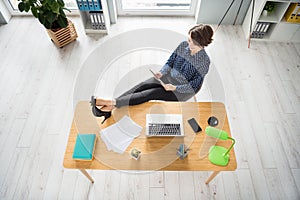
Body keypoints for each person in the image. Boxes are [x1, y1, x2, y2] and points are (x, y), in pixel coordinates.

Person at [90, 24, 214, 123]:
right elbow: (170, 61)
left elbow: (194, 86)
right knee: (142, 86)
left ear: (201, 44)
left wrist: (174, 87)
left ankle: (109, 103)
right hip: (168, 77)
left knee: (150, 93)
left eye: (192, 42)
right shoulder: (183, 46)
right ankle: (111, 106)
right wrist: (162, 72)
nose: (189, 43)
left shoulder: (204, 61)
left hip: (181, 90)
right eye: (189, 40)